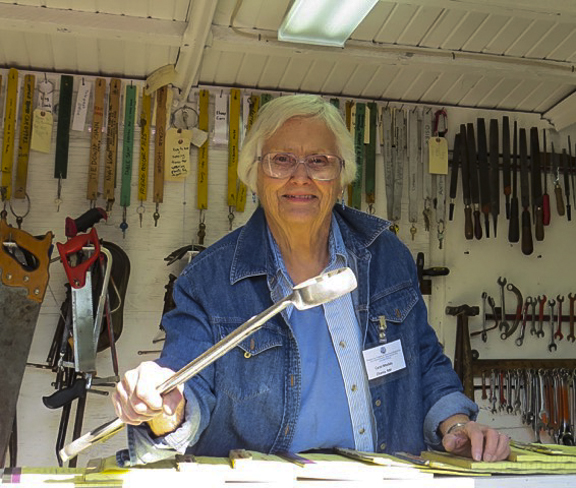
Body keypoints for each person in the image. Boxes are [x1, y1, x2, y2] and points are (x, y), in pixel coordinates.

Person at [113, 94, 510, 466]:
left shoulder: (385, 256)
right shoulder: (208, 282)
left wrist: (457, 424)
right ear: (255, 174)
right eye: (281, 160)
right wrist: (166, 407)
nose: (300, 177)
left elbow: (424, 361)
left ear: (341, 177)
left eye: (319, 161)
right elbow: (187, 388)